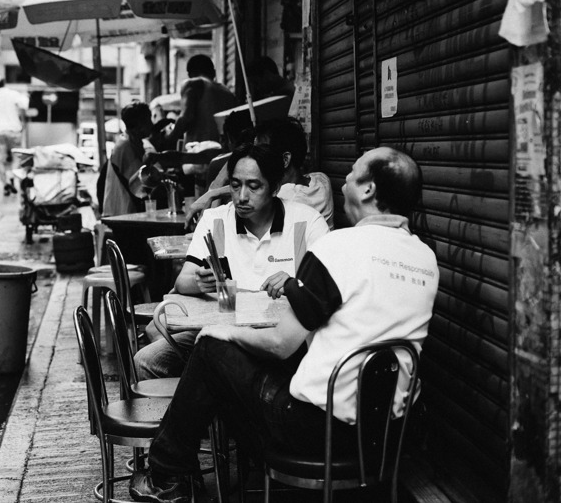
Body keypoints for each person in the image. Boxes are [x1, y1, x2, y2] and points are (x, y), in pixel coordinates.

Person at [129, 147, 438, 503]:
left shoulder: (339, 246)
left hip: (314, 430)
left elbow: (280, 344)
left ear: (367, 190)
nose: (343, 185)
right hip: (388, 432)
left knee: (210, 350)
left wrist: (223, 332)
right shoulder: (424, 257)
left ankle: (166, 476)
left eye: (351, 175)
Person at [134, 143, 328, 379]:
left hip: (281, 337)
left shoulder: (307, 221)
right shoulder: (216, 219)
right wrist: (200, 282)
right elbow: (183, 281)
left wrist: (294, 283)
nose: (242, 197)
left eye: (254, 187)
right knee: (145, 361)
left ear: (275, 188)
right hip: (219, 331)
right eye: (236, 186)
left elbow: (326, 289)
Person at [188, 117, 334, 229]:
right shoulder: (320, 181)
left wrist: (216, 190)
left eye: (260, 152)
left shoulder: (288, 199)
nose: (253, 159)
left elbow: (212, 229)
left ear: (285, 160)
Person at [163, 54, 238, 148]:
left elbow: (185, 118)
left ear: (190, 74)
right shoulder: (228, 93)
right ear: (213, 72)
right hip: (223, 156)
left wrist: (167, 140)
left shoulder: (192, 83)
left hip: (198, 154)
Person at [102, 102, 154, 217]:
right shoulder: (125, 146)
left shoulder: (135, 142)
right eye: (148, 120)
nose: (151, 124)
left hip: (127, 213)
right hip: (122, 213)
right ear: (138, 125)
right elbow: (140, 184)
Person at [0, 77, 29, 196]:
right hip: (14, 130)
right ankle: (11, 177)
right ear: (4, 83)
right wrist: (23, 123)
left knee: (0, 160)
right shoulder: (13, 94)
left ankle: (5, 185)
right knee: (16, 158)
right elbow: (24, 106)